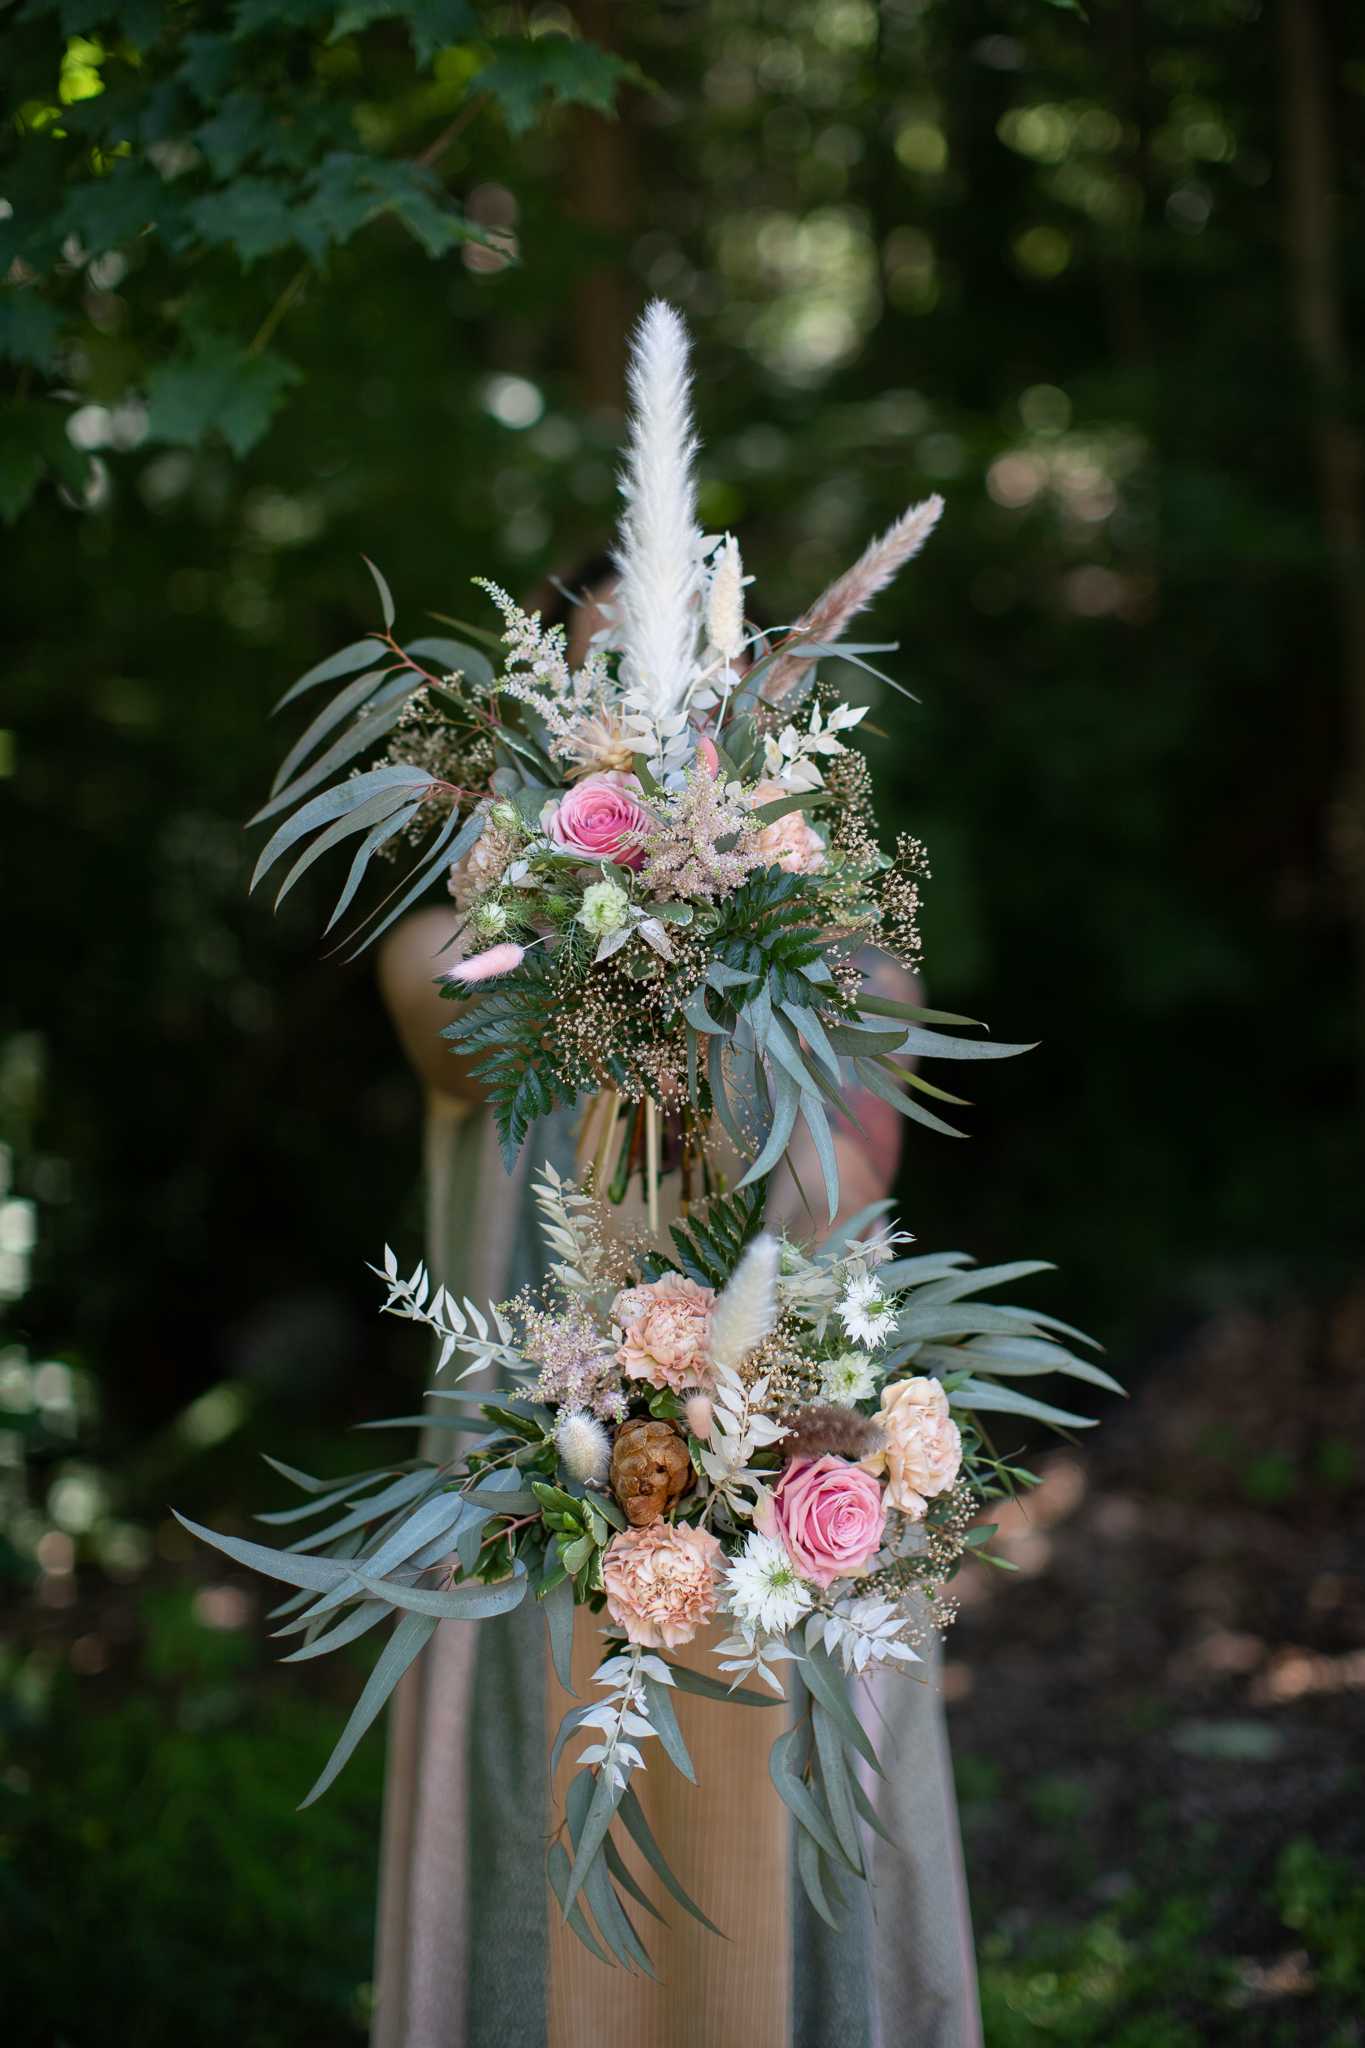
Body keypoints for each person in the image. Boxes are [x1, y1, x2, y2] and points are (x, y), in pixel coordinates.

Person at [369, 576, 982, 2048]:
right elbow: (455, 1019)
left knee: (777, 1860)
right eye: (606, 677)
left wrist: (741, 927)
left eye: (687, 681)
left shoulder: (837, 953)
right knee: (544, 1863)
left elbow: (845, 1190)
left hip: (785, 1491)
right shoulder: (464, 938)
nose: (647, 714)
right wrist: (607, 900)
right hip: (541, 1502)